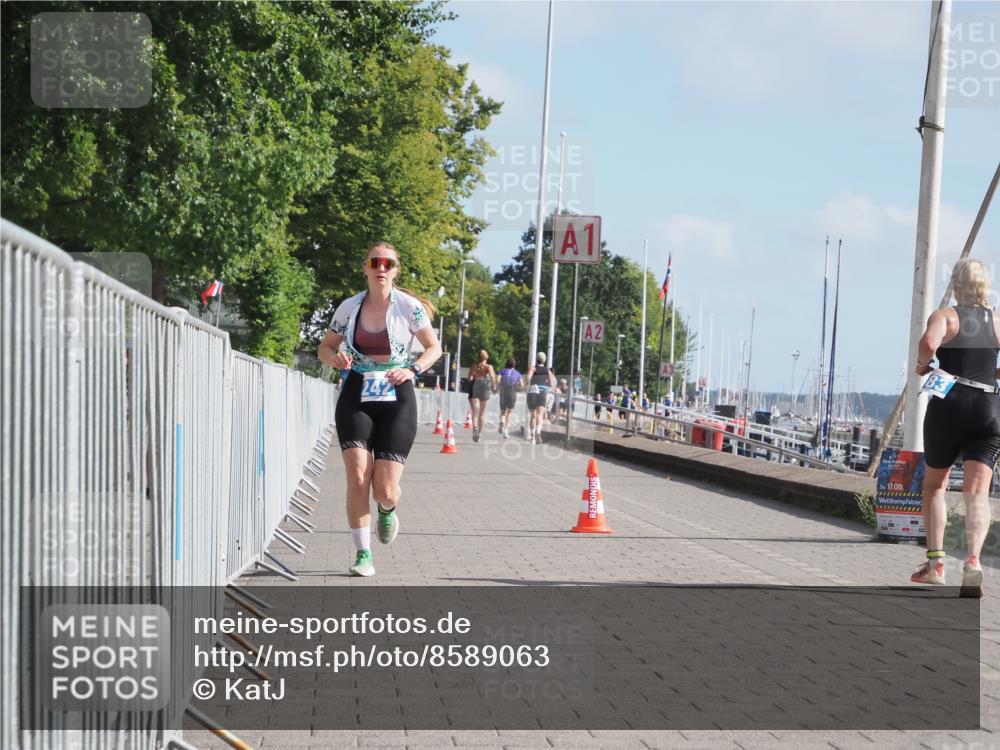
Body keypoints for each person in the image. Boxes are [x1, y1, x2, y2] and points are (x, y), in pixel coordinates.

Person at [317, 242, 442, 577]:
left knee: (383, 488)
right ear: (366, 267)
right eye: (376, 262)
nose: (381, 268)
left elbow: (434, 347)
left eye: (388, 263)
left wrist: (413, 370)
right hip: (357, 388)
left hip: (396, 390)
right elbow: (325, 348)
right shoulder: (348, 308)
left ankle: (388, 508)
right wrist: (336, 358)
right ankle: (363, 554)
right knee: (358, 476)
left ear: (396, 270)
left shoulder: (409, 307)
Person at [910, 258, 1000, 597]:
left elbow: (929, 344)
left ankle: (935, 565)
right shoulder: (996, 320)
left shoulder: (946, 316)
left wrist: (923, 366)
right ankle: (973, 563)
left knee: (935, 485)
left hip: (949, 403)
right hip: (989, 407)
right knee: (977, 493)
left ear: (957, 285)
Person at [525, 352, 556, 444]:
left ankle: (532, 437)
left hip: (532, 391)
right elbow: (552, 383)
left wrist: (527, 383)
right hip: (542, 392)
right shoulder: (547, 371)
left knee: (532, 415)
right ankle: (538, 431)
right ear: (544, 360)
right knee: (540, 414)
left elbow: (528, 377)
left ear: (536, 359)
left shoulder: (533, 368)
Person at [468, 350, 496, 442]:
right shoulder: (488, 367)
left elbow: (469, 378)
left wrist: (474, 377)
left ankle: (475, 427)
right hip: (484, 386)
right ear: (486, 357)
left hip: (476, 385)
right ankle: (479, 434)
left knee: (475, 410)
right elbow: (492, 376)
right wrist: (493, 385)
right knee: (482, 414)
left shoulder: (473, 366)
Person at [497, 358, 523, 439]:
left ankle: (501, 421)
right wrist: (517, 384)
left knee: (503, 411)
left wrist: (501, 384)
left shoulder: (502, 371)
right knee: (509, 413)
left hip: (503, 392)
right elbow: (522, 385)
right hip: (512, 392)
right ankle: (506, 432)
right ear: (514, 365)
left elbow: (497, 380)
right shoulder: (517, 373)